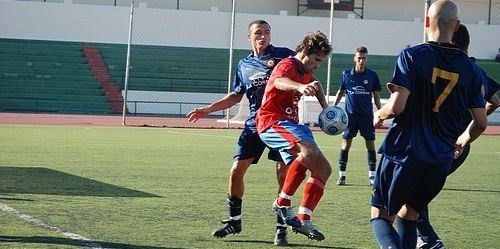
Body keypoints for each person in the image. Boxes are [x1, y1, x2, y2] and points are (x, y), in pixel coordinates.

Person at [370, 1, 488, 248]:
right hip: (439, 162)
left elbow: (397, 107)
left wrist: (379, 114)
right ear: (456, 26)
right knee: (409, 216)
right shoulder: (472, 70)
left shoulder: (411, 56)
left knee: (381, 216)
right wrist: (464, 139)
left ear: (426, 22)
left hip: (404, 154)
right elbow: (480, 122)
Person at [186, 19, 295, 246]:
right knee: (236, 170)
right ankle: (234, 221)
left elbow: (303, 67)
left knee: (283, 173)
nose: (263, 36)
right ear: (249, 37)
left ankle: (281, 228)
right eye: (258, 33)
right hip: (254, 125)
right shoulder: (243, 65)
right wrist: (208, 109)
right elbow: (236, 95)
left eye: (266, 32)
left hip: (280, 123)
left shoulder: (284, 56)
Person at [416, 23, 500, 249]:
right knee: (417, 191)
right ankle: (424, 238)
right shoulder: (477, 71)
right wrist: (468, 127)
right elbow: (495, 102)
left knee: (414, 191)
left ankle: (428, 240)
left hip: (441, 141)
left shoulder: (448, 68)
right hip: (460, 144)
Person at [256, 31, 332, 241]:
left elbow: (315, 84)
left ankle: (303, 219)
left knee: (324, 169)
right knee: (308, 152)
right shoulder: (288, 64)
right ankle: (282, 203)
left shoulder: (307, 72)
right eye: (316, 59)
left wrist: (326, 109)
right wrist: (300, 86)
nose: (318, 65)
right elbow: (280, 81)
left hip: (291, 124)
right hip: (272, 120)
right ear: (305, 52)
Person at [333, 46, 382, 186]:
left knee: (370, 145)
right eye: (359, 58)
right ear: (355, 58)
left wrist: (380, 113)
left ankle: (372, 176)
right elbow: (341, 92)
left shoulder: (372, 75)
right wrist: (333, 107)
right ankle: (342, 175)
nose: (361, 61)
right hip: (350, 117)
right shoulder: (346, 74)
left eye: (364, 58)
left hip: (367, 117)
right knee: (346, 144)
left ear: (367, 59)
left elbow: (376, 95)